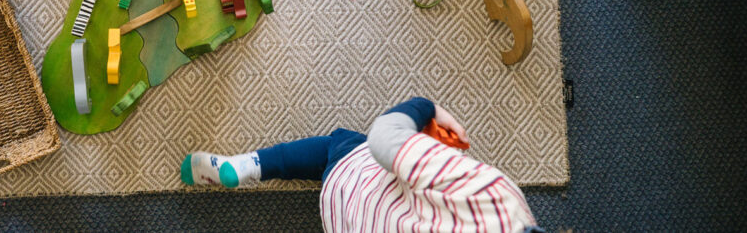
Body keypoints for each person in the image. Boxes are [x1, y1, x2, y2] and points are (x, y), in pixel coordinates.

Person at [181, 97, 543, 232]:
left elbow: (384, 139)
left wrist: (427, 109)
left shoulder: (495, 196)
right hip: (342, 224)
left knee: (334, 148)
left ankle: (250, 164)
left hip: (355, 179)